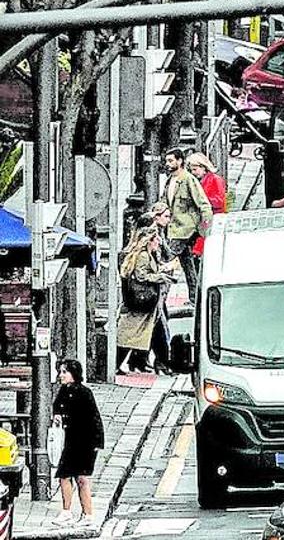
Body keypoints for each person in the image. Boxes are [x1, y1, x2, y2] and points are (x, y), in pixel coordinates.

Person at [49, 359, 104, 528]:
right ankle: (66, 512)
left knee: (81, 478)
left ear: (74, 374)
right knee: (64, 475)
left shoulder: (84, 393)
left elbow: (94, 418)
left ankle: (88, 514)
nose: (61, 376)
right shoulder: (64, 391)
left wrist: (97, 442)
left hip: (85, 441)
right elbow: (57, 406)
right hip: (70, 441)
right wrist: (57, 415)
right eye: (61, 372)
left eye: (65, 372)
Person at [117, 226, 178, 374]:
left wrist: (163, 272)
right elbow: (141, 276)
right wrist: (161, 277)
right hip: (144, 300)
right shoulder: (143, 255)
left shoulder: (150, 254)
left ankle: (158, 363)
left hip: (150, 302)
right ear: (148, 241)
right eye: (156, 238)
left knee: (153, 333)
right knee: (132, 335)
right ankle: (116, 363)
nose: (159, 241)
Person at [163, 147, 212, 304]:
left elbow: (203, 204)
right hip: (174, 228)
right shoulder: (170, 181)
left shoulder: (188, 179)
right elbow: (165, 202)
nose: (167, 164)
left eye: (171, 161)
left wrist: (205, 230)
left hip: (185, 230)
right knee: (188, 266)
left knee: (167, 261)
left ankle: (161, 296)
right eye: (166, 161)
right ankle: (196, 298)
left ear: (180, 161)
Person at [186, 152, 227, 260]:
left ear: (203, 167)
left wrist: (202, 201)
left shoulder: (215, 179)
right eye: (191, 170)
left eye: (195, 169)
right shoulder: (196, 181)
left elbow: (220, 201)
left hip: (213, 218)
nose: (193, 173)